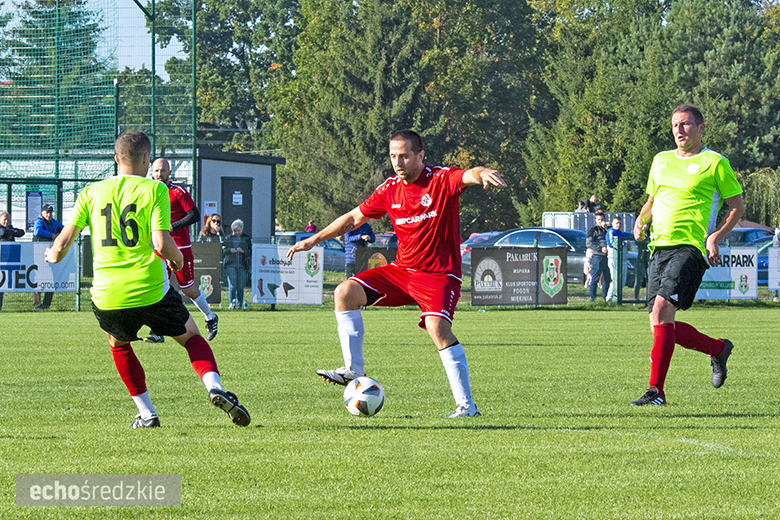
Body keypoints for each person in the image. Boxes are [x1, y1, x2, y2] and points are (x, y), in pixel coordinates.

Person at [286, 129, 507, 418]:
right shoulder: (389, 189)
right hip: (402, 272)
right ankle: (353, 369)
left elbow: (468, 174)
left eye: (403, 155)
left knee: (437, 329)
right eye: (393, 156)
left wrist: (482, 173)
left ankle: (467, 407)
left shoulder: (439, 179)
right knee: (344, 293)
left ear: (420, 155)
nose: (397, 162)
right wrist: (315, 239)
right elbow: (353, 218)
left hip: (439, 274)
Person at [44, 130, 250, 427]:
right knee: (191, 336)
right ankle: (215, 388)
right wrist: (177, 260)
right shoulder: (154, 191)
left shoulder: (91, 192)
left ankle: (147, 413)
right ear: (146, 159)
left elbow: (61, 245)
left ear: (116, 159)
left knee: (118, 344)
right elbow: (162, 244)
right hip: (151, 289)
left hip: (108, 295)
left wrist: (52, 255)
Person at [631, 104, 744, 406]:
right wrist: (641, 220)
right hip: (660, 246)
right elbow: (653, 201)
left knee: (662, 310)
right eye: (675, 125)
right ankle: (718, 349)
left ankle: (656, 391)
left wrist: (715, 237)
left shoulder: (715, 163)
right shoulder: (661, 160)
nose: (679, 130)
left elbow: (737, 207)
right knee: (659, 322)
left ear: (701, 127)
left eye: (686, 124)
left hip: (692, 247)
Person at [144, 158, 219, 343]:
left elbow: (194, 214)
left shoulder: (178, 192)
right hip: (160, 249)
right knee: (157, 289)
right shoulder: (149, 192)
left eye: (163, 170)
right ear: (151, 173)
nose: (159, 174)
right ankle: (158, 331)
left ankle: (210, 317)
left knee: (188, 290)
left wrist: (172, 226)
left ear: (169, 172)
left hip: (181, 248)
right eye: (156, 171)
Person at [32, 204, 64, 310]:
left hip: (50, 254)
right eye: (47, 212)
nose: (49, 214)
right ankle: (37, 305)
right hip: (38, 254)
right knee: (39, 279)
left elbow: (64, 230)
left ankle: (46, 305)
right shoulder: (39, 221)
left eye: (50, 212)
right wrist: (51, 235)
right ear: (42, 213)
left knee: (51, 280)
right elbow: (37, 231)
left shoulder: (54, 222)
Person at [223, 219, 251, 310]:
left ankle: (239, 304)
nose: (237, 232)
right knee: (232, 285)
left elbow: (250, 251)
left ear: (242, 229)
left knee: (240, 286)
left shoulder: (246, 238)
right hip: (231, 264)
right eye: (235, 231)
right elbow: (222, 251)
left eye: (238, 230)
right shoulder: (228, 238)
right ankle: (231, 303)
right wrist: (230, 250)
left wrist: (243, 251)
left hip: (242, 265)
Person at [0, 211, 25, 311]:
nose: (6, 221)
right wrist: (10, 232)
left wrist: (9, 231)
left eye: (8, 220)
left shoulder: (10, 228)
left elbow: (21, 232)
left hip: (8, 260)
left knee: (2, 285)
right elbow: (2, 233)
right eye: (4, 219)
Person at [605, 216, 633, 301]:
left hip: (623, 259)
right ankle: (609, 299)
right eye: (617, 223)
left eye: (620, 223)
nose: (619, 225)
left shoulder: (621, 233)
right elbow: (611, 243)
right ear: (612, 224)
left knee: (622, 281)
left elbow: (630, 236)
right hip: (614, 259)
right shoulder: (611, 231)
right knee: (615, 280)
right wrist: (624, 243)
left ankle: (617, 299)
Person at [586, 212, 611, 301]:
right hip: (598, 256)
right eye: (599, 220)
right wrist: (600, 248)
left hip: (608, 256)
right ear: (595, 221)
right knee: (595, 277)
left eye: (602, 219)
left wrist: (607, 228)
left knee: (607, 278)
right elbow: (589, 243)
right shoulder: (593, 230)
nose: (601, 221)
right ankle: (593, 298)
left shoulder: (609, 229)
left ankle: (606, 298)